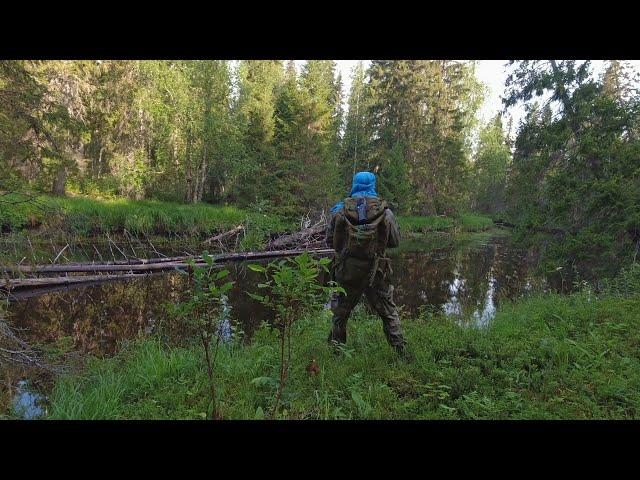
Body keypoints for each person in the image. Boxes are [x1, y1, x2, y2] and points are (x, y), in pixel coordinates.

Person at [326, 171, 407, 356]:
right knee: (388, 312)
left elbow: (330, 241)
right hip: (376, 271)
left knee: (340, 314)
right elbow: (395, 242)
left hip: (347, 271)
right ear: (373, 185)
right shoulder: (385, 212)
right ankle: (400, 352)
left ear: (355, 184)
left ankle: (336, 354)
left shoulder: (340, 210)